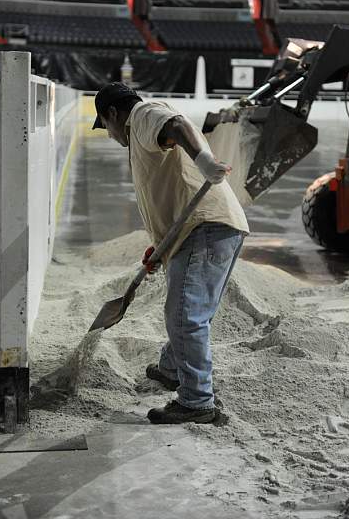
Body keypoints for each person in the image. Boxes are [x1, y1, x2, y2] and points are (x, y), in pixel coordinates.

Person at [92, 82, 249, 424]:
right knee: (185, 310)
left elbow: (175, 126)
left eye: (105, 125)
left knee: (186, 315)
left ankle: (197, 402)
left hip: (203, 228)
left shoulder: (143, 115)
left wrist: (205, 159)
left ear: (114, 113)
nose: (109, 134)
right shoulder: (139, 135)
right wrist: (160, 246)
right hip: (196, 231)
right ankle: (171, 368)